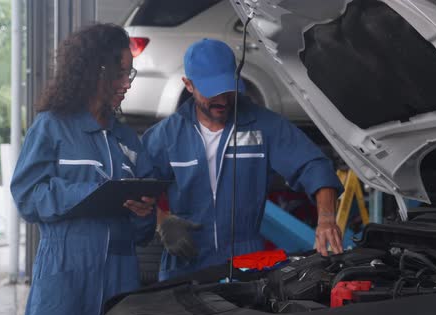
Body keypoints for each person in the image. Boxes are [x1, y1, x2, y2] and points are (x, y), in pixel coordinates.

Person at [142, 38, 344, 281]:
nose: (223, 100)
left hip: (246, 262)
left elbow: (314, 165)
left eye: (227, 89)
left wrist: (326, 219)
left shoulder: (263, 126)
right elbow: (131, 191)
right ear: (188, 85)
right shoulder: (165, 136)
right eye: (211, 92)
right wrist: (162, 222)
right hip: (185, 263)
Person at [11, 23, 156, 315]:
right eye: (120, 74)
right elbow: (27, 196)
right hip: (65, 276)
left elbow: (142, 232)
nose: (126, 84)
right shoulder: (52, 127)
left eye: (129, 75)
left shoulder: (128, 141)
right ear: (94, 72)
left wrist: (145, 213)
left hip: (120, 277)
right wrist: (90, 193)